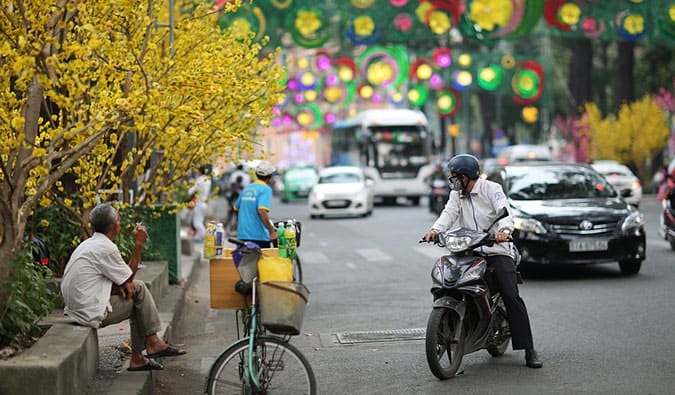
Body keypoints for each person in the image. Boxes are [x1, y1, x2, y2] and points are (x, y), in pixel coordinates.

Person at [422, 154, 543, 369]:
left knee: (511, 295)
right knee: (449, 282)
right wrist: (435, 230)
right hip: (467, 249)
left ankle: (529, 348)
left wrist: (504, 231)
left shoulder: (491, 189)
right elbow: (448, 214)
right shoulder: (456, 195)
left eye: (456, 178)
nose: (453, 182)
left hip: (496, 249)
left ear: (467, 176)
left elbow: (504, 212)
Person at [61, 203, 186, 371]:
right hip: (89, 312)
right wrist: (139, 245)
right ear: (116, 225)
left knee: (138, 289)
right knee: (138, 300)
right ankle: (148, 347)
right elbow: (128, 278)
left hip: (78, 307)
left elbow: (122, 281)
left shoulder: (88, 244)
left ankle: (144, 352)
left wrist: (122, 286)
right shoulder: (106, 247)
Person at [234, 161, 279, 248]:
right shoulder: (266, 189)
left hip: (242, 236)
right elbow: (262, 210)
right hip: (259, 237)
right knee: (264, 261)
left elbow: (236, 207)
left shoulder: (247, 188)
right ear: (270, 177)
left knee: (245, 261)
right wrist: (272, 232)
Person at [188, 164, 212, 242]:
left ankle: (207, 237)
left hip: (199, 203)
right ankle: (198, 238)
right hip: (205, 203)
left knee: (197, 223)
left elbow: (190, 191)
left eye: (197, 171)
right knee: (200, 221)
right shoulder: (208, 180)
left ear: (200, 171)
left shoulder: (200, 180)